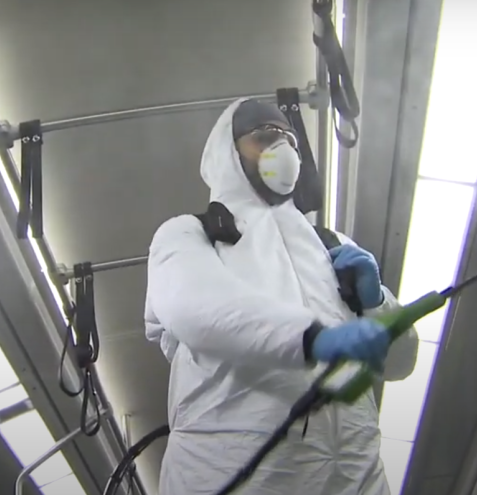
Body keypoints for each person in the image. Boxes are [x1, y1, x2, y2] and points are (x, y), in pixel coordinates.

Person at [144, 98, 419, 495]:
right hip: (237, 474)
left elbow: (400, 362)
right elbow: (194, 306)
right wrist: (311, 338)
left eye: (290, 138)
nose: (285, 148)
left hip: (355, 477)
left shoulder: (331, 245)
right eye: (266, 136)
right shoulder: (192, 234)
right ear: (229, 152)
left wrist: (378, 305)